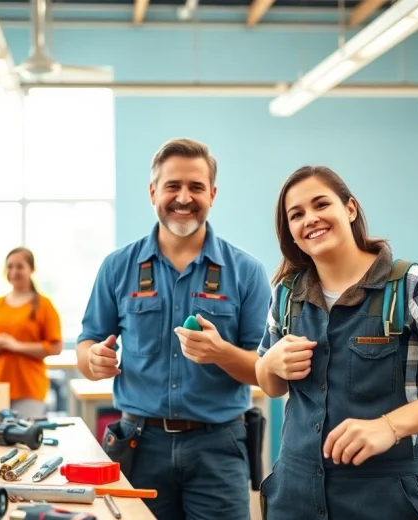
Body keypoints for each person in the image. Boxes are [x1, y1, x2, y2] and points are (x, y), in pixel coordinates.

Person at [255, 166, 418, 519]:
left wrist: (390, 426)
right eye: (297, 214)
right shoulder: (287, 293)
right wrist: (269, 364)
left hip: (387, 496)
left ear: (350, 209)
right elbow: (271, 386)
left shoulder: (411, 284)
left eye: (321, 204)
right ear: (290, 230)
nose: (311, 219)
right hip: (294, 494)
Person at [76, 138, 271, 520]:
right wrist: (92, 360)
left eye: (196, 187)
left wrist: (221, 353)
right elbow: (86, 345)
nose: (184, 197)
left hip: (219, 447)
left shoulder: (246, 272)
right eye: (172, 186)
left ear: (212, 194)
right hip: (138, 446)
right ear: (153, 192)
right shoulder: (118, 267)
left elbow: (264, 372)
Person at [0, 247, 62, 419]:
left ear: (31, 269)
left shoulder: (44, 305)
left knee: (25, 440)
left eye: (20, 267)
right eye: (10, 266)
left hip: (29, 388)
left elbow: (55, 347)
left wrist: (17, 346)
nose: (14, 272)